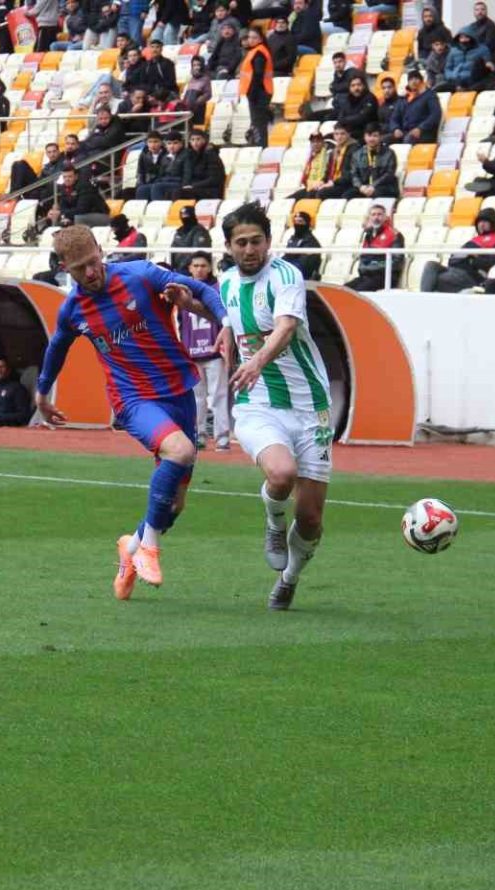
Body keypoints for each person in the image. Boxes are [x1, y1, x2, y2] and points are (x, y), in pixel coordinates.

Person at [34, 225, 228, 598]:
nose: (91, 272)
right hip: (133, 399)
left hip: (179, 390)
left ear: (100, 249)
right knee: (180, 451)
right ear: (63, 268)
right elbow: (57, 347)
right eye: (79, 268)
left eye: (93, 262)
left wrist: (226, 322)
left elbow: (203, 290)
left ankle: (132, 546)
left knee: (174, 506)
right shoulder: (73, 309)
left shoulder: (140, 275)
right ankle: (149, 549)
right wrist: (42, 392)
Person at [215, 202, 331, 610]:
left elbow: (286, 326)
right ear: (228, 246)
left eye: (256, 241)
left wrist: (256, 360)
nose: (250, 249)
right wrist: (224, 330)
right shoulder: (226, 282)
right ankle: (274, 522)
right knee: (281, 474)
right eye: (241, 243)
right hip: (257, 401)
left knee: (312, 517)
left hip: (311, 406)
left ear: (268, 241)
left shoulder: (286, 276)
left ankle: (289, 578)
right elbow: (230, 316)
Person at [177, 252, 229, 451]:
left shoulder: (217, 290)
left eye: (203, 265)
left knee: (218, 396)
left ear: (210, 268)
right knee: (197, 398)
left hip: (214, 351)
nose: (199, 269)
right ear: (190, 268)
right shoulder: (183, 292)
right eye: (196, 265)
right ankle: (198, 435)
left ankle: (222, 437)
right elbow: (181, 324)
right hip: (192, 353)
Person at [419, 208, 495, 292]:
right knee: (430, 265)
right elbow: (454, 257)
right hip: (454, 269)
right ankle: (424, 296)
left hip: (471, 276)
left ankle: (423, 298)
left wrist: (474, 259)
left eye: (485, 222)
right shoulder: (474, 240)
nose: (481, 225)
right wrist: (464, 257)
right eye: (479, 222)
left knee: (435, 279)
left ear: (492, 223)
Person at [345, 203, 404, 291]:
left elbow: (396, 262)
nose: (376, 218)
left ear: (385, 217)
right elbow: (364, 258)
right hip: (367, 276)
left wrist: (373, 265)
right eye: (373, 215)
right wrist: (366, 267)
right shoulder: (369, 235)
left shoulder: (394, 235)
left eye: (379, 214)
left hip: (384, 277)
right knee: (343, 290)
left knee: (359, 291)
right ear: (369, 217)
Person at [239, 26, 273, 144]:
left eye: (255, 37)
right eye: (250, 37)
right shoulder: (255, 51)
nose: (251, 40)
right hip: (258, 91)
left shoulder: (259, 53)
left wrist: (253, 93)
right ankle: (259, 145)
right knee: (257, 123)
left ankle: (260, 146)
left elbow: (258, 75)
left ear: (261, 39)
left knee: (258, 124)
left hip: (259, 92)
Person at [346, 122, 398, 199]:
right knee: (347, 195)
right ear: (364, 137)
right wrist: (360, 187)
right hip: (364, 187)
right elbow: (354, 174)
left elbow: (389, 174)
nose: (371, 139)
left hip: (384, 187)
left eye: (375, 136)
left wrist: (373, 186)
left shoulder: (389, 153)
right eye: (369, 136)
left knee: (377, 193)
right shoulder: (357, 154)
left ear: (381, 137)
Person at [170, 203, 211, 271]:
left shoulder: (200, 231)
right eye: (183, 216)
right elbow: (173, 250)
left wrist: (186, 266)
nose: (185, 219)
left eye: (187, 216)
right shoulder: (179, 231)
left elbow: (198, 252)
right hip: (177, 270)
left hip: (193, 270)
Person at [283, 210, 322, 281]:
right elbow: (286, 257)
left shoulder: (311, 243)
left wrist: (284, 269)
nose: (297, 224)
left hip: (302, 279)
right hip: (288, 274)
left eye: (300, 221)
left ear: (307, 223)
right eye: (295, 221)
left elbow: (304, 266)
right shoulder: (293, 239)